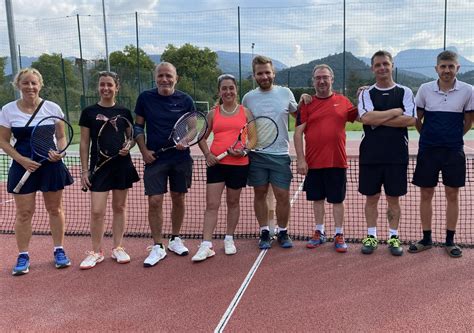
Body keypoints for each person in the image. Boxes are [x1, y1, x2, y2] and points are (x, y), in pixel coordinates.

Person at [0, 68, 73, 276]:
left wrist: (60, 152)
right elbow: (2, 141)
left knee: (55, 209)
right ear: (18, 85)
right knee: (24, 213)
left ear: (40, 85)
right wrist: (22, 160)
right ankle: (23, 255)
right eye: (25, 83)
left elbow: (60, 136)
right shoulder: (8, 110)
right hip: (22, 166)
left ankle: (59, 250)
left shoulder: (52, 108)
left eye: (34, 83)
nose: (30, 87)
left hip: (50, 166)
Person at [409, 50, 473, 258]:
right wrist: (427, 135)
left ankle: (450, 240)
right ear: (437, 68)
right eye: (443, 66)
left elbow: (468, 121)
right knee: (426, 194)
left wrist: (453, 137)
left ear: (457, 68)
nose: (447, 70)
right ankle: (426, 239)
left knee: (452, 194)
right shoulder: (425, 89)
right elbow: (417, 118)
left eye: (451, 66)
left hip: (454, 151)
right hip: (428, 150)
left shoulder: (468, 90)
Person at [134, 62, 195, 267]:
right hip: (155, 159)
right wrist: (143, 151)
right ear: (155, 77)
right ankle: (158, 246)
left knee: (178, 198)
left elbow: (194, 129)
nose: (164, 79)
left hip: (180, 159)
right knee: (155, 201)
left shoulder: (186, 100)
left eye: (169, 76)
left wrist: (185, 140)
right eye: (161, 76)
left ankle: (175, 238)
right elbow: (138, 127)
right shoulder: (145, 98)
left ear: (176, 78)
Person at [357, 50, 416, 256]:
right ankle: (371, 236)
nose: (382, 68)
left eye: (385, 64)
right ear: (372, 68)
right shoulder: (365, 93)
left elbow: (410, 120)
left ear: (392, 65)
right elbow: (367, 118)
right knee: (371, 198)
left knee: (393, 199)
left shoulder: (405, 92)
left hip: (397, 155)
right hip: (370, 156)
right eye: (378, 65)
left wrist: (378, 118)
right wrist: (394, 112)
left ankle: (393, 237)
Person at [78, 71, 140, 269]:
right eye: (102, 84)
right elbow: (84, 142)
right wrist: (84, 170)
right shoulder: (88, 112)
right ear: (99, 87)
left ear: (116, 87)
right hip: (98, 168)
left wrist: (128, 146)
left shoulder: (124, 112)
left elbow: (132, 137)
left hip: (121, 166)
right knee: (97, 211)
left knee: (119, 207)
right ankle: (96, 251)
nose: (105, 88)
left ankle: (118, 247)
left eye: (109, 85)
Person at [294, 64, 358, 253]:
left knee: (337, 200)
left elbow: (362, 115)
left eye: (325, 77)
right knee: (318, 199)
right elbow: (298, 134)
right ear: (313, 81)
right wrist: (300, 159)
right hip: (313, 163)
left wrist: (364, 94)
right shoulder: (306, 104)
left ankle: (339, 234)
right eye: (317, 78)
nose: (321, 81)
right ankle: (319, 231)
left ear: (332, 79)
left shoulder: (343, 101)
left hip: (337, 161)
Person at [191, 74, 253, 262]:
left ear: (236, 90)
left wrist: (244, 151)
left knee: (233, 203)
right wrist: (208, 155)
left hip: (239, 164)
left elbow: (253, 138)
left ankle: (229, 239)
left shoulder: (246, 112)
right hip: (217, 165)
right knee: (212, 205)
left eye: (231, 88)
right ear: (219, 91)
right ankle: (206, 245)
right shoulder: (213, 114)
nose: (228, 92)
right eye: (224, 88)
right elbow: (201, 137)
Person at [242, 55, 298, 249]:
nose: (264, 76)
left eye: (267, 72)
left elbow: (299, 114)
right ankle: (264, 231)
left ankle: (283, 232)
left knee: (283, 195)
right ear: (254, 75)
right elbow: (244, 126)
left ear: (273, 73)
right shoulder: (248, 98)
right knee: (260, 193)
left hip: (280, 154)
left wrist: (307, 100)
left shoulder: (285, 93)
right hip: (256, 154)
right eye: (260, 73)